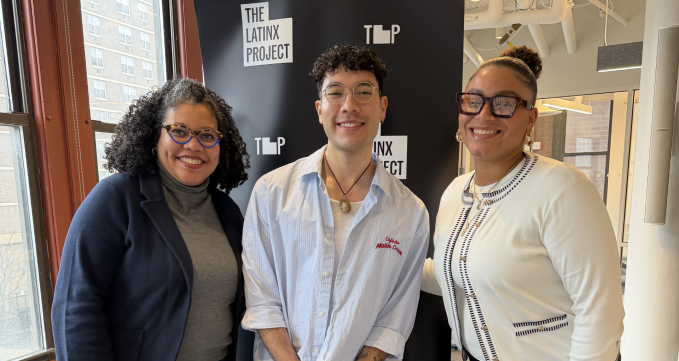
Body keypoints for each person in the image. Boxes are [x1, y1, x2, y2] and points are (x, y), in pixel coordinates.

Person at [421, 46, 624, 361]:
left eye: (503, 104)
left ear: (531, 117)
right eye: (473, 101)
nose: (483, 115)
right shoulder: (456, 192)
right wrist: (381, 258)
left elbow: (599, 310)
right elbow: (455, 274)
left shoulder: (563, 189)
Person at [240, 44, 429, 361]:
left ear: (382, 108)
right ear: (319, 109)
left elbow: (393, 322)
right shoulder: (270, 193)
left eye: (363, 92)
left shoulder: (411, 213)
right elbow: (262, 301)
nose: (349, 106)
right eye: (336, 93)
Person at [52, 78, 250, 361]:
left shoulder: (228, 212)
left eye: (207, 135)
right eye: (179, 131)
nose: (193, 145)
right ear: (154, 138)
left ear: (221, 145)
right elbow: (76, 306)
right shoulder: (115, 199)